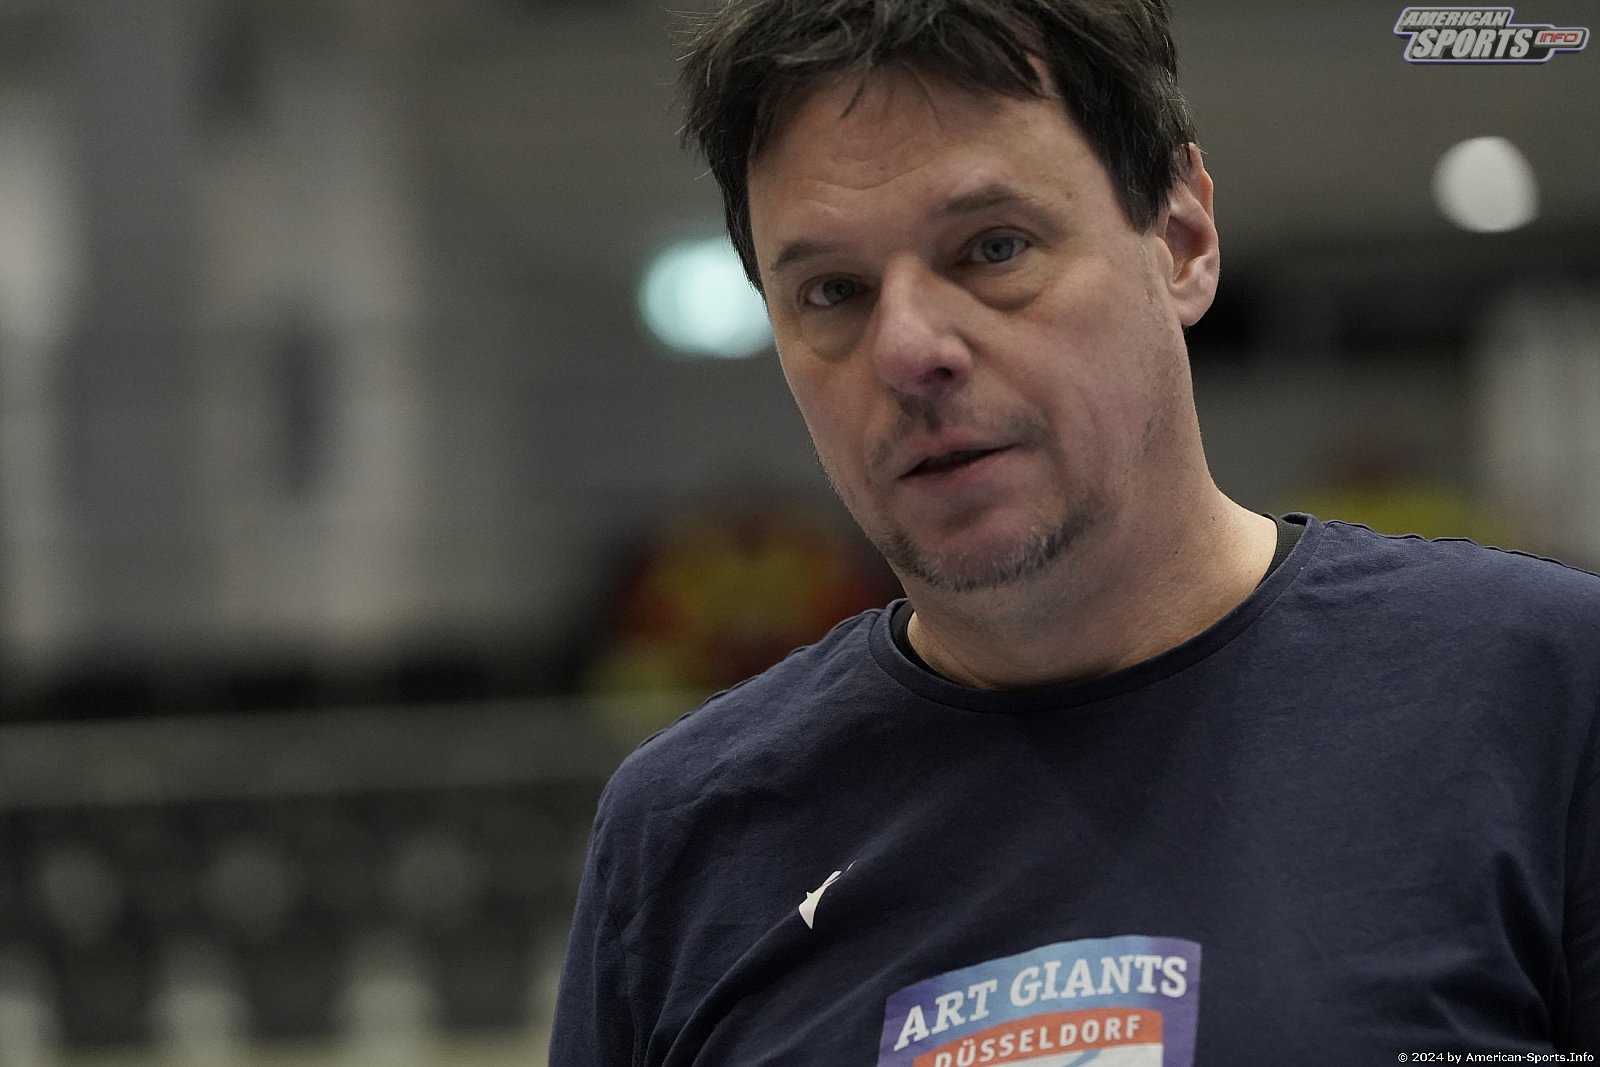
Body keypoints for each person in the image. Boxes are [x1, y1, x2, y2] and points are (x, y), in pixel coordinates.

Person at [550, 0, 1600, 1061]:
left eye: (992, 248)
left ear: (1180, 240)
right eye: (833, 290)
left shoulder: (1543, 693)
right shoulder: (686, 836)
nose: (907, 350)